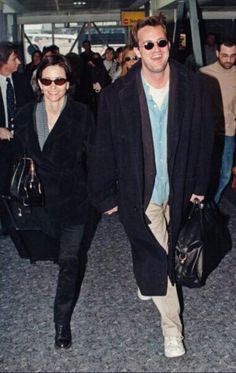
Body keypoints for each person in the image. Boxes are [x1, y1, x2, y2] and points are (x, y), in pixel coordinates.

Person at [88, 14, 214, 358]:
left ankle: (149, 279)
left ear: (168, 45)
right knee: (159, 261)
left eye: (161, 42)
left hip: (182, 186)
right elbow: (105, 147)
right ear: (137, 50)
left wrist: (201, 184)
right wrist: (104, 195)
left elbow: (205, 140)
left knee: (172, 251)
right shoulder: (117, 96)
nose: (157, 50)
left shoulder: (195, 86)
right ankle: (173, 332)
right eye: (148, 45)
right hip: (141, 193)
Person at [13, 54, 96, 349]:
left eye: (59, 80)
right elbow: (16, 156)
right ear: (38, 82)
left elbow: (95, 156)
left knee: (70, 262)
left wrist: (104, 192)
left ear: (68, 83)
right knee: (54, 254)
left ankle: (61, 324)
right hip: (39, 200)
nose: (52, 86)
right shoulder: (25, 114)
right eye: (46, 80)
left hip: (74, 199)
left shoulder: (81, 114)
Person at [0, 41, 33, 236]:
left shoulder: (21, 81)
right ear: (3, 61)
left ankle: (17, 219)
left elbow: (29, 109)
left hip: (19, 142)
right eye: (15, 58)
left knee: (18, 182)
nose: (19, 62)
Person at [200, 39, 236, 204]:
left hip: (229, 132)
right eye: (225, 56)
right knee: (204, 171)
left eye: (233, 56)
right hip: (207, 132)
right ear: (217, 54)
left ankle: (211, 204)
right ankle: (201, 203)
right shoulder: (204, 73)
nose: (228, 60)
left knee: (226, 174)